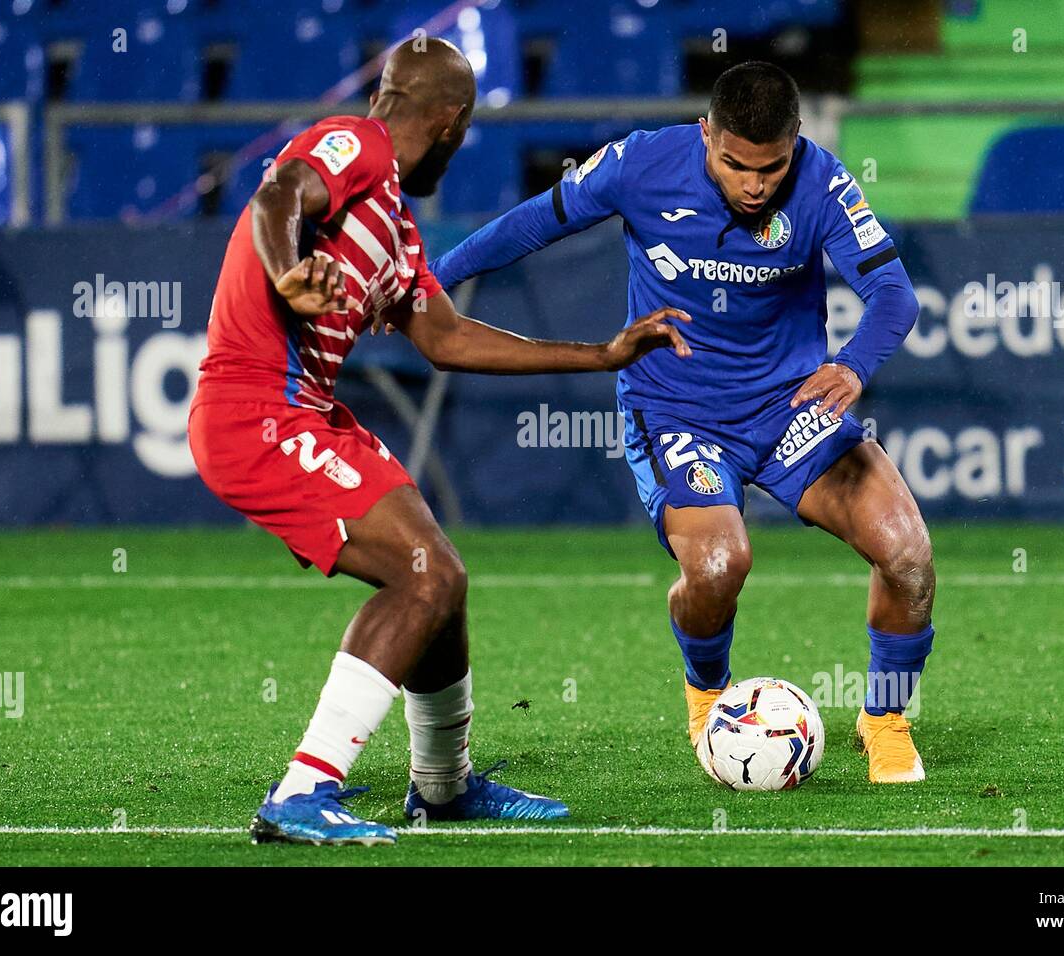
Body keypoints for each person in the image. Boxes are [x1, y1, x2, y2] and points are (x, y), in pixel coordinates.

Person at [188, 37, 691, 845]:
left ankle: (444, 788)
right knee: (423, 577)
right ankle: (302, 791)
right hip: (255, 413)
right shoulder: (351, 146)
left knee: (441, 579)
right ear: (453, 122)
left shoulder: (392, 221)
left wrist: (598, 354)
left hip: (306, 413)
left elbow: (448, 338)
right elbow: (277, 194)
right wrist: (286, 271)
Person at [430, 62, 934, 785]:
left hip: (793, 409)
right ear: (706, 135)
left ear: (796, 145)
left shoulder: (822, 181)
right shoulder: (641, 163)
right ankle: (708, 699)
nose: (755, 185)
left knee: (908, 555)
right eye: (735, 164)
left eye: (772, 167)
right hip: (678, 411)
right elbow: (535, 222)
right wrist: (429, 278)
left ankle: (883, 718)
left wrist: (853, 365)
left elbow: (892, 291)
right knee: (720, 565)